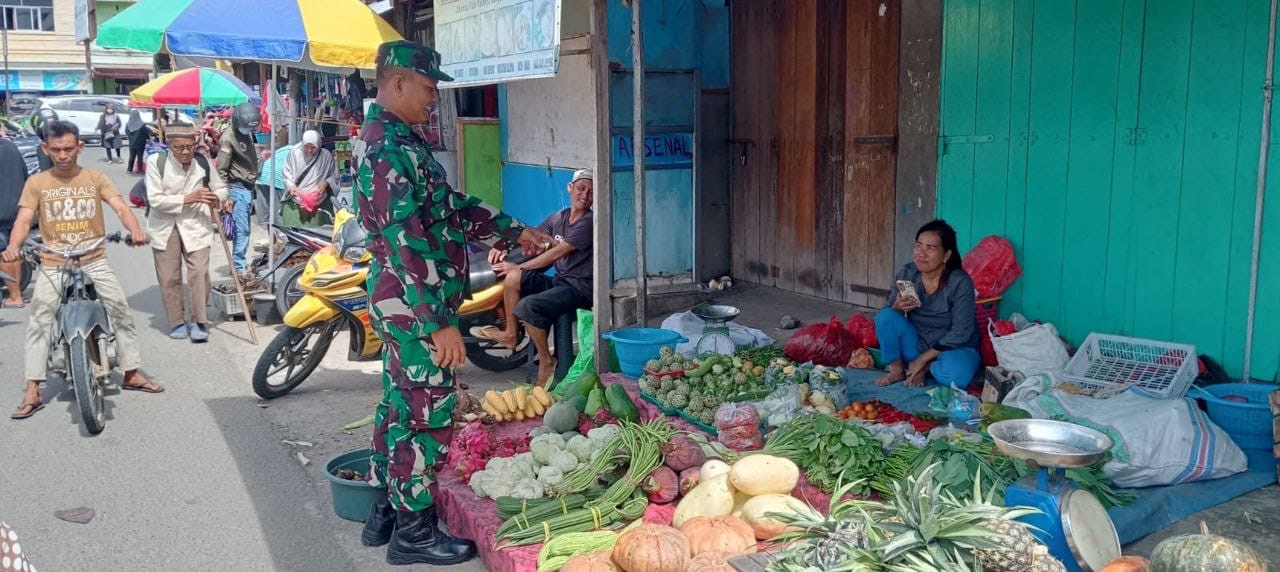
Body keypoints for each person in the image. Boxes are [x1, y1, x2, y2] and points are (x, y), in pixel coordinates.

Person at [353, 40, 550, 566]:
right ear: (397, 83)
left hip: (405, 303)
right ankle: (414, 532)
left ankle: (388, 511)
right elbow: (404, 242)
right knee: (430, 412)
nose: (433, 99)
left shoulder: (400, 141)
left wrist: (514, 230)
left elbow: (449, 208)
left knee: (400, 403)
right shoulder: (387, 151)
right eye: (427, 88)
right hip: (414, 306)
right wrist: (439, 323)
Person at [3, 120, 163, 420]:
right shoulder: (37, 183)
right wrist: (14, 246)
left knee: (119, 310)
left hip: (94, 257)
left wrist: (135, 230)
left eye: (68, 149)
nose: (63, 155)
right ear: (45, 149)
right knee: (39, 319)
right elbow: (23, 221)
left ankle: (130, 372)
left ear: (79, 147)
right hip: (54, 260)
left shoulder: (95, 177)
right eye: (56, 150)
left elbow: (120, 207)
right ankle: (33, 388)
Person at [484, 169, 594, 385]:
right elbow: (532, 234)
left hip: (579, 288)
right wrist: (502, 247)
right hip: (561, 282)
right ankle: (511, 335)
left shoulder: (588, 222)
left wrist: (519, 266)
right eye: (581, 188)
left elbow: (556, 252)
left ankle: (546, 361)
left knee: (528, 305)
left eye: (591, 192)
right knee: (513, 279)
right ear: (570, 188)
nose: (585, 195)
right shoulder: (559, 218)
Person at [145, 123, 227, 342]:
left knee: (199, 273)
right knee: (169, 276)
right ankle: (177, 321)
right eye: (179, 148)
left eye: (189, 147)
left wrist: (216, 197)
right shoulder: (156, 163)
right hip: (165, 226)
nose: (185, 152)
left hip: (196, 224)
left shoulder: (203, 162)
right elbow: (155, 199)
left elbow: (221, 187)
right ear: (169, 146)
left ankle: (199, 320)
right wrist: (188, 198)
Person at [875, 219, 981, 389]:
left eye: (930, 248)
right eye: (918, 246)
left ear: (946, 255)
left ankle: (925, 367)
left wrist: (923, 360)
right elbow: (888, 315)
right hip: (917, 343)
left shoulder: (960, 282)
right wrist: (897, 307)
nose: (921, 253)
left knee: (956, 378)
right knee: (885, 316)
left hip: (953, 349)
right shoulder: (908, 272)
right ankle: (897, 369)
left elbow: (961, 332)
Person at [216, 102, 262, 276]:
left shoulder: (246, 134)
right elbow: (221, 169)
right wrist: (225, 195)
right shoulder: (228, 139)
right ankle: (238, 267)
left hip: (247, 187)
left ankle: (239, 264)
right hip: (237, 189)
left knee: (245, 229)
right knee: (242, 230)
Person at [281, 129, 339, 226]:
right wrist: (290, 186)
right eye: (306, 147)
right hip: (296, 200)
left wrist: (326, 183)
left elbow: (334, 175)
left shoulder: (326, 156)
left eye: (313, 147)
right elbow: (287, 172)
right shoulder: (295, 153)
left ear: (319, 145)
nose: (309, 150)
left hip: (319, 201)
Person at [0, 136, 29, 308]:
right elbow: (24, 174)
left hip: (2, 210)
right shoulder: (11, 147)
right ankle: (16, 292)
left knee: (5, 253)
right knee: (12, 250)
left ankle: (15, 296)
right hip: (16, 208)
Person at [125, 108, 148, 174]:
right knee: (140, 156)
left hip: (131, 143)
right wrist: (147, 138)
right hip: (140, 143)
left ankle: (129, 169)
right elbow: (146, 133)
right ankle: (140, 170)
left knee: (132, 156)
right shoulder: (142, 124)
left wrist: (130, 138)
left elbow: (126, 132)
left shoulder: (128, 124)